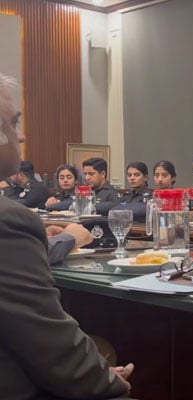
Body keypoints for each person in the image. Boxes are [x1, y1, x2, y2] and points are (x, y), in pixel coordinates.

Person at [0, 72, 134, 398]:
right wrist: (111, 384)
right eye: (14, 124)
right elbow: (51, 345)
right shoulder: (9, 222)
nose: (22, 135)